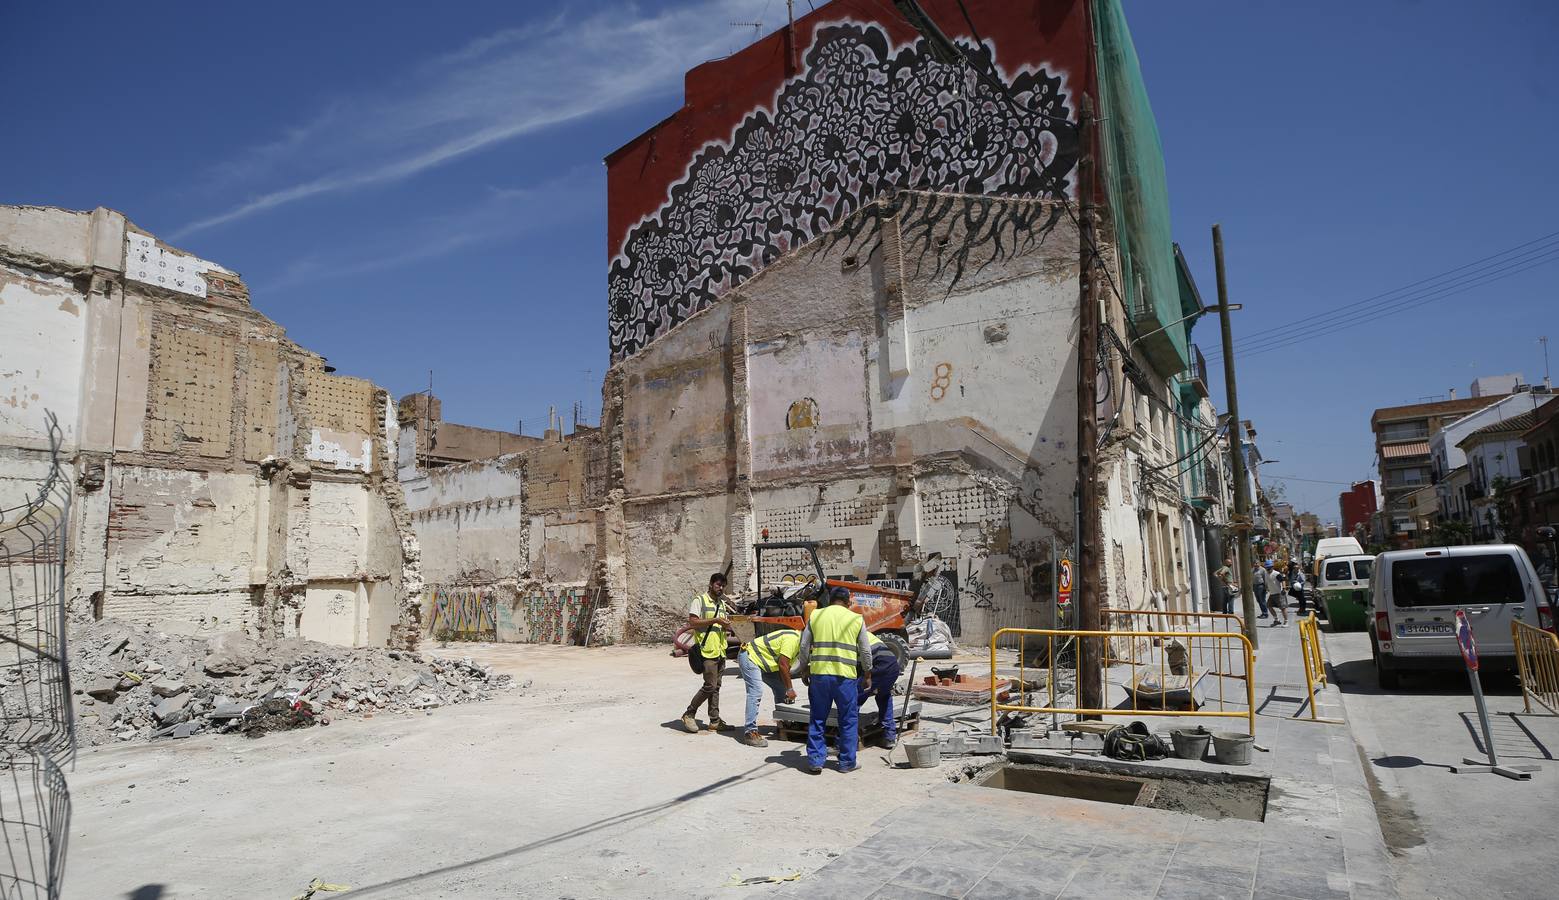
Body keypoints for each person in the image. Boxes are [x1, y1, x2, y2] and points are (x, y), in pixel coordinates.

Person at [797, 585, 872, 774]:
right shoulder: (855, 619)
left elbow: (804, 645)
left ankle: (815, 761)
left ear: (829, 600)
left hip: (820, 676)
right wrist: (868, 673)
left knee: (817, 719)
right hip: (845, 679)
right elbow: (865, 650)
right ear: (848, 602)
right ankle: (847, 763)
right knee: (848, 720)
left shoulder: (816, 615)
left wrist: (804, 668)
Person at [681, 573, 731, 734]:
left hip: (720, 650)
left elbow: (721, 625)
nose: (721, 588)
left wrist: (727, 627)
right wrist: (715, 620)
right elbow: (693, 622)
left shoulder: (722, 603)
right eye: (718, 585)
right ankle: (689, 713)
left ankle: (714, 720)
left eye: (723, 586)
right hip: (707, 651)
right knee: (710, 685)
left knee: (716, 687)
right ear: (710, 584)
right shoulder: (700, 600)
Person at [736, 627, 801, 748]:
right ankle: (750, 732)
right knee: (756, 691)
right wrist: (790, 689)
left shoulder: (800, 643)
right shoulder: (793, 639)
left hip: (764, 663)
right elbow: (783, 664)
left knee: (781, 689)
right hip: (750, 657)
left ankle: (784, 724)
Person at [858, 632, 903, 749]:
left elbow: (860, 661)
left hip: (878, 664)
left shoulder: (847, 635)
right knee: (884, 696)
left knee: (854, 699)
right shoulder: (864, 631)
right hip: (893, 665)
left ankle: (845, 741)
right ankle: (889, 737)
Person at [1265, 561, 1288, 627]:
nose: (1268, 569)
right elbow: (1268, 582)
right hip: (1272, 593)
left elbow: (1283, 580)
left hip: (1279, 593)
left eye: (1269, 568)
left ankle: (1286, 622)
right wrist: (1266, 588)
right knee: (1269, 606)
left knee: (1283, 608)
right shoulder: (1266, 574)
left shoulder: (1276, 574)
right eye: (1267, 568)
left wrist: (1284, 588)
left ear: (1272, 567)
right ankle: (1276, 620)